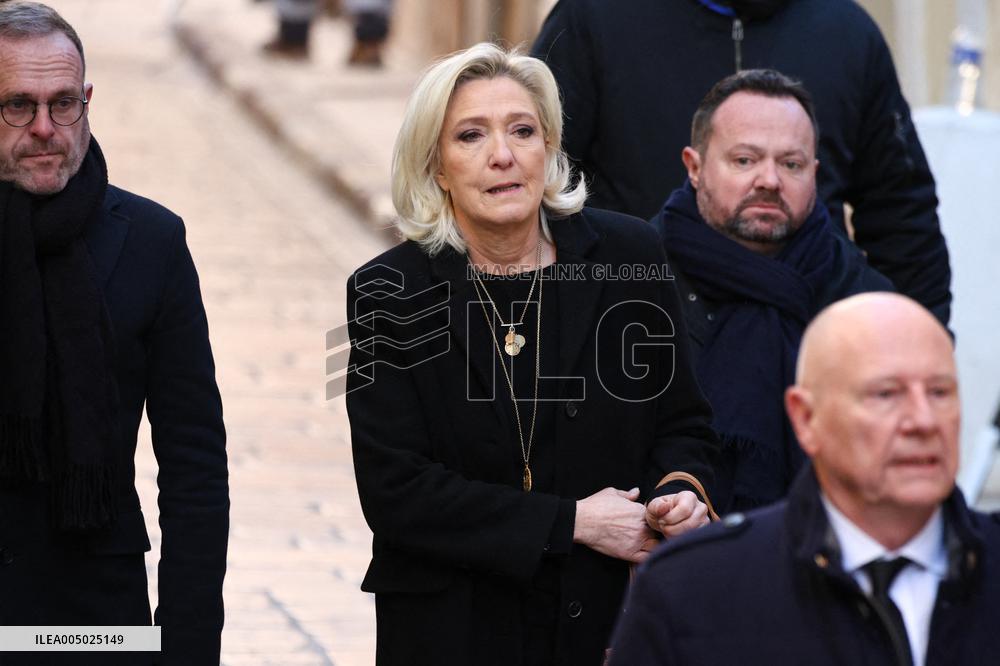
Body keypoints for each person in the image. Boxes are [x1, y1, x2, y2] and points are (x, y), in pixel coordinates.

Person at [345, 42, 720, 666]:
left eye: (523, 130)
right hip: (452, 631)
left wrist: (680, 493)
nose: (503, 155)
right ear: (436, 166)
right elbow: (395, 490)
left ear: (549, 150)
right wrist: (570, 522)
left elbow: (682, 422)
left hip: (606, 622)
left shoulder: (629, 255)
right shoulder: (389, 292)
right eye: (470, 135)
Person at [0, 3, 228, 664]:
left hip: (97, 622)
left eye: (63, 104)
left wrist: (186, 645)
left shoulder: (152, 242)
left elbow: (194, 470)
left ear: (87, 102)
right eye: (18, 105)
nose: (45, 128)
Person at [608, 292, 1000, 666]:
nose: (923, 421)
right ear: (806, 418)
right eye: (886, 394)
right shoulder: (697, 588)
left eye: (939, 392)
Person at [532, 0, 952, 326]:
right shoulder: (595, 17)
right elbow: (538, 187)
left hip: (808, 356)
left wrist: (917, 356)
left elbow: (903, 220)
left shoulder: (847, 33)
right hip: (640, 341)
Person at [651, 69, 893, 513]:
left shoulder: (866, 302)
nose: (769, 180)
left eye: (791, 163)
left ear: (815, 174)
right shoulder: (635, 277)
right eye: (745, 160)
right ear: (695, 166)